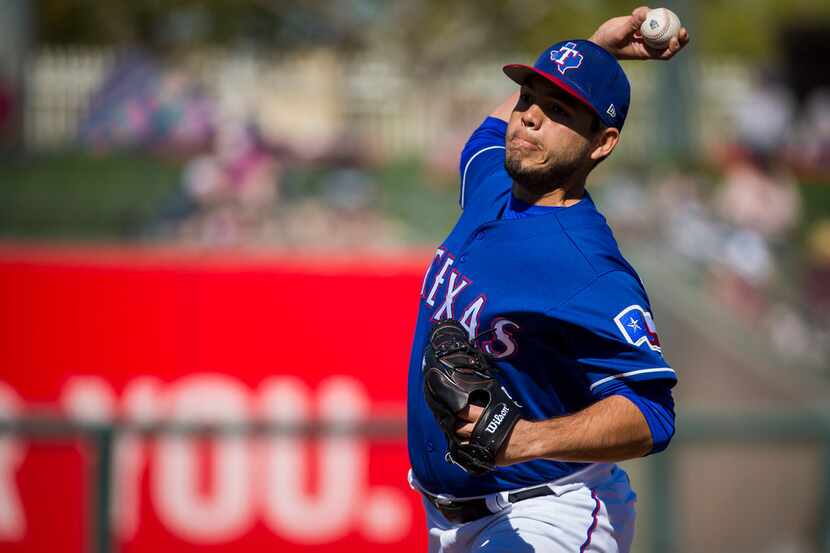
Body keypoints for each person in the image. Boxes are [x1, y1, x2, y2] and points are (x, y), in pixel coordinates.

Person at [406, 7, 689, 552]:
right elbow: (492, 131)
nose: (528, 118)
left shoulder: (587, 265)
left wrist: (524, 439)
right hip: (449, 520)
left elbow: (653, 414)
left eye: (557, 110)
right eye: (526, 99)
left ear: (602, 143)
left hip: (548, 511)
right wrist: (595, 49)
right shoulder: (495, 183)